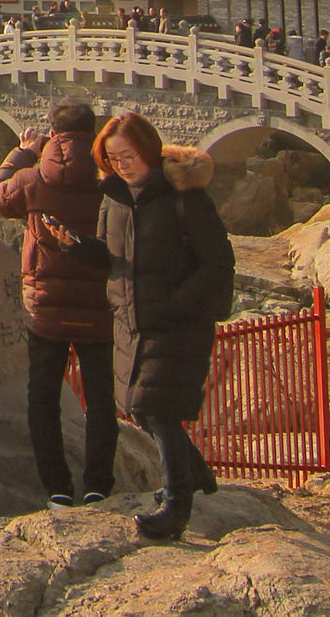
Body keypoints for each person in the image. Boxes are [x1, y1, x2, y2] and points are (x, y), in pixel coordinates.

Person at [46, 111, 234, 543]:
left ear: (148, 149)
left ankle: (175, 505)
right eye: (112, 158)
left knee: (158, 408)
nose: (121, 165)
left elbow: (218, 262)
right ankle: (199, 472)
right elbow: (111, 259)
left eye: (128, 155)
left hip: (176, 321)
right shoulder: (112, 197)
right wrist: (73, 246)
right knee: (138, 406)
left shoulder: (183, 196)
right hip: (130, 318)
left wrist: (175, 302)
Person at [0, 101, 117, 508]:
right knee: (100, 401)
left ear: (53, 131)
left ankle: (57, 489)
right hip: (100, 307)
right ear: (93, 132)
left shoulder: (33, 178)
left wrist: (23, 152)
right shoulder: (110, 180)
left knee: (42, 399)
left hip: (45, 309)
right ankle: (98, 485)